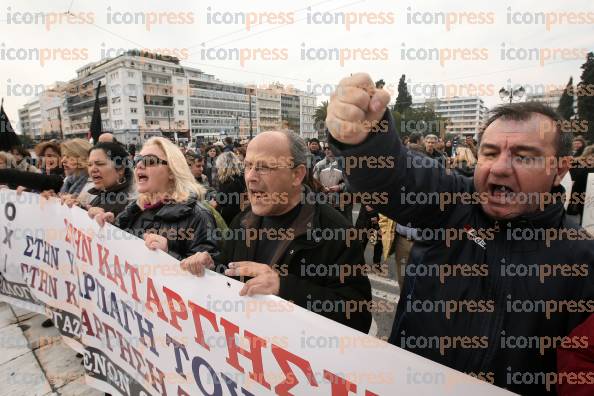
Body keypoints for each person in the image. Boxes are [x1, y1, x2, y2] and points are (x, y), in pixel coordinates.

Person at [325, 73, 594, 395]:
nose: (500, 168)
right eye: (490, 153)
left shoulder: (581, 257)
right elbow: (395, 175)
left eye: (523, 156)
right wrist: (366, 143)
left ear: (559, 170)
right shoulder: (453, 203)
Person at [179, 130, 373, 333]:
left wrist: (284, 288)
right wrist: (211, 266)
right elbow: (230, 268)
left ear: (297, 175)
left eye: (263, 167)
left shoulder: (336, 232)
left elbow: (358, 317)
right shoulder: (243, 221)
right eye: (247, 166)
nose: (251, 177)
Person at [92, 137, 218, 260]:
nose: (139, 165)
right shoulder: (135, 208)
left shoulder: (198, 216)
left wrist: (167, 254)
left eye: (150, 161)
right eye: (137, 160)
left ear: (171, 171)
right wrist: (109, 226)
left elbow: (210, 274)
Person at [73, 142, 136, 216]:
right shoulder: (103, 192)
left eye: (100, 164)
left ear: (120, 169)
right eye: (89, 165)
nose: (92, 169)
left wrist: (109, 222)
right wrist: (77, 208)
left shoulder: (131, 201)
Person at [213, 151, 246, 225]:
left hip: (230, 224)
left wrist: (216, 206)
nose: (217, 168)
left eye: (219, 166)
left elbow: (232, 210)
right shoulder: (236, 178)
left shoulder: (232, 183)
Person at [567, 145, 594, 221]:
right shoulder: (580, 167)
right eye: (590, 155)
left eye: (593, 156)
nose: (591, 158)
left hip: (590, 197)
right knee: (584, 218)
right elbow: (575, 183)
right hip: (581, 197)